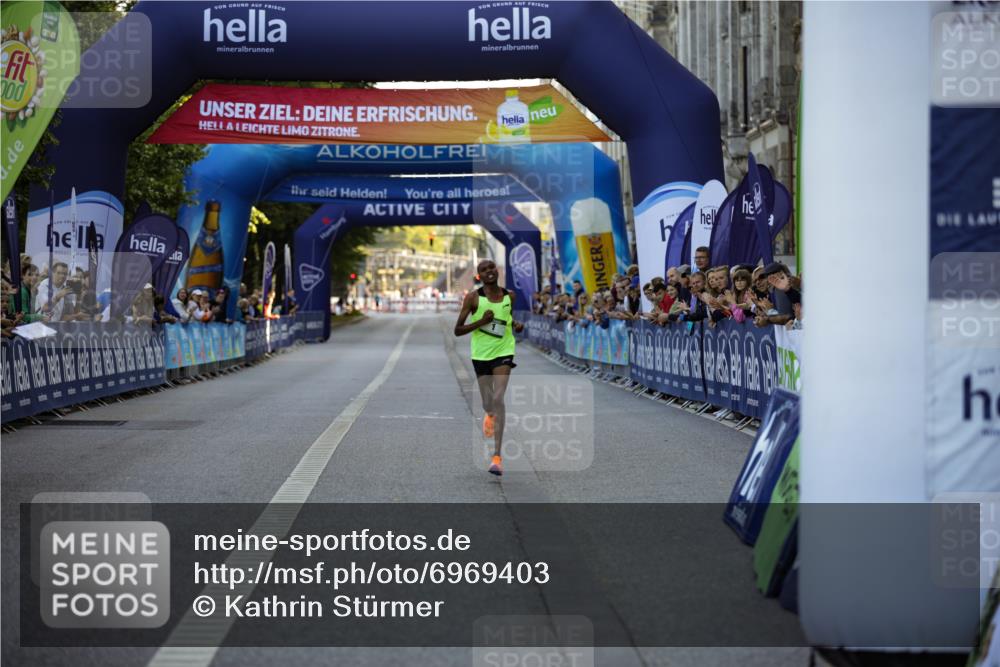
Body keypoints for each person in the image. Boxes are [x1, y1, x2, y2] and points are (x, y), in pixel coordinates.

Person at [453, 260, 524, 477]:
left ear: (497, 271)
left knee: (499, 398)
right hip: (481, 354)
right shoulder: (473, 298)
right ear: (479, 276)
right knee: (488, 403)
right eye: (484, 270)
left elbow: (507, 319)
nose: (489, 272)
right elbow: (457, 330)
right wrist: (481, 321)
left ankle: (497, 457)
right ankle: (489, 413)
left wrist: (515, 325)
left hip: (504, 351)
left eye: (491, 268)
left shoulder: (509, 296)